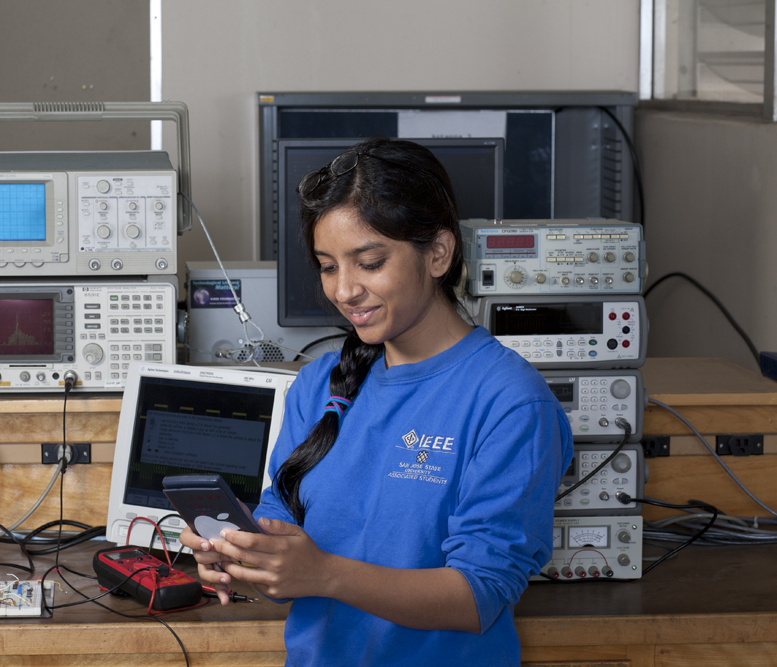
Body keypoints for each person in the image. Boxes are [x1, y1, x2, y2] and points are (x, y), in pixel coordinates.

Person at [178, 138, 573, 666]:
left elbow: (480, 595)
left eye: (369, 262)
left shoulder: (510, 402)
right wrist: (242, 555)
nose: (344, 291)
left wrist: (322, 573)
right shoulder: (318, 386)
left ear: (438, 253)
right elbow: (282, 538)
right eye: (327, 266)